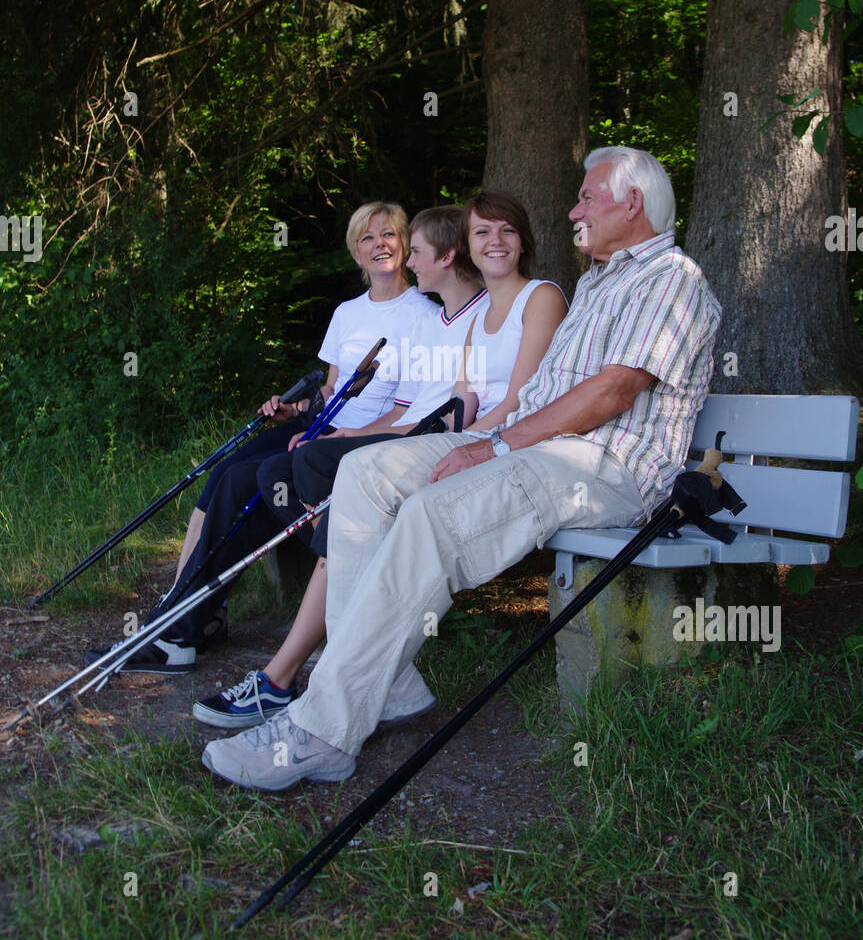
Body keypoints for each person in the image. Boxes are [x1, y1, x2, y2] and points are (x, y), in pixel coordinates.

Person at [202, 147, 722, 791]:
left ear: (632, 203)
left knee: (428, 514)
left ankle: (322, 731)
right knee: (364, 473)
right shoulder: (601, 280)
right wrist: (491, 436)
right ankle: (385, 683)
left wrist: (497, 446)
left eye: (587, 198)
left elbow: (611, 395)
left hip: (605, 465)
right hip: (538, 444)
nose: (573, 209)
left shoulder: (671, 280)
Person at [191, 194, 564, 728]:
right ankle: (340, 660)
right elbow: (459, 400)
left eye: (504, 231)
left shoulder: (531, 299)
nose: (493, 243)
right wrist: (406, 431)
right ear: (468, 249)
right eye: (483, 234)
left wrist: (445, 439)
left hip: (501, 450)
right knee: (293, 475)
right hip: (455, 438)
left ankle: (293, 673)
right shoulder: (466, 318)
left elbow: (514, 405)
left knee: (331, 477)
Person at [86, 201, 435, 675]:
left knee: (251, 481)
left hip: (357, 437)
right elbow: (330, 388)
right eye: (368, 238)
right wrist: (295, 410)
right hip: (320, 424)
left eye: (389, 235)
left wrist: (348, 432)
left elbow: (407, 409)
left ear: (406, 245)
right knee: (228, 474)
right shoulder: (347, 313)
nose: (380, 245)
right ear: (356, 251)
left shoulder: (422, 315)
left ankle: (179, 629)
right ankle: (186, 618)